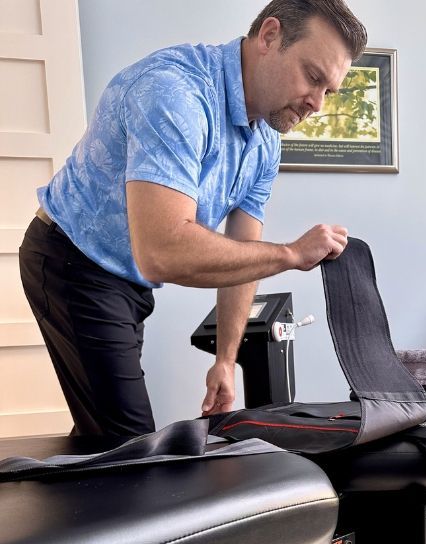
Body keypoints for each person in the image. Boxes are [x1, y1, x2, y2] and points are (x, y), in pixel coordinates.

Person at [19, 0, 367, 436]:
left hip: (127, 276)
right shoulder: (173, 93)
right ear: (269, 36)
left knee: (104, 431)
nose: (316, 103)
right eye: (313, 77)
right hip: (71, 260)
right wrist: (292, 254)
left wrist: (226, 359)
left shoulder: (265, 140)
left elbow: (243, 251)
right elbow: (162, 252)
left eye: (329, 92)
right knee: (132, 448)